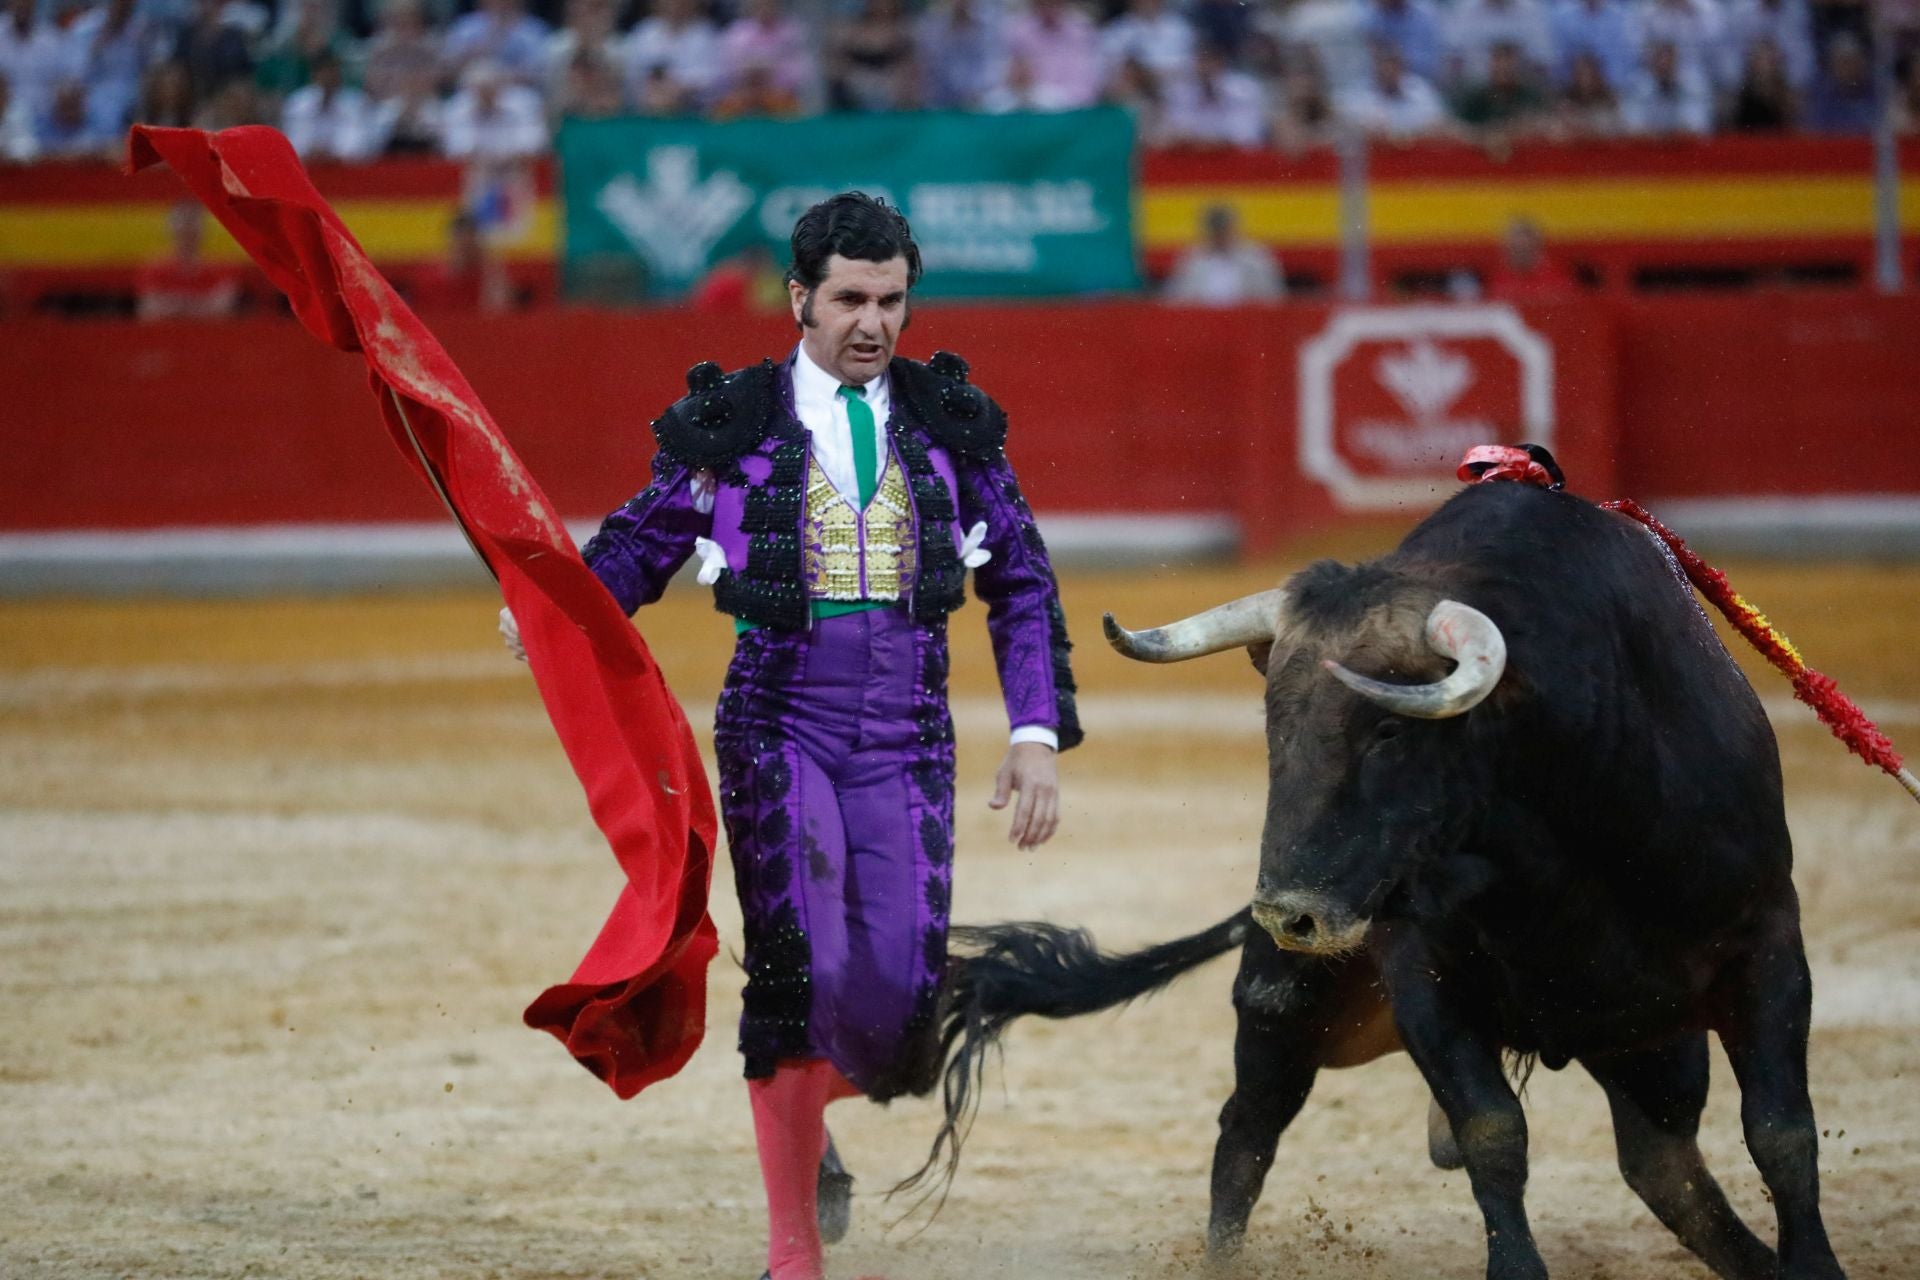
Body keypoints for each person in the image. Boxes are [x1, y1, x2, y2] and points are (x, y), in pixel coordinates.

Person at [501, 192, 1080, 1280]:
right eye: (851, 298)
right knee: (796, 969)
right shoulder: (740, 419)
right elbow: (642, 539)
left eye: (892, 299)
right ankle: (792, 1250)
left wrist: (1037, 729)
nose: (874, 322)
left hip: (909, 728)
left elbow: (1019, 576)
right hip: (781, 718)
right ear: (799, 297)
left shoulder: (952, 420)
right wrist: (559, 605)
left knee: (900, 1001)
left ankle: (808, 1120)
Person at [136, 201, 242, 319]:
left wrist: (174, 306)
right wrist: (201, 306)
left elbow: (223, 308)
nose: (188, 230)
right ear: (171, 229)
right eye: (183, 224)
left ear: (203, 229)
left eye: (192, 224)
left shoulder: (221, 267)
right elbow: (149, 308)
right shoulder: (155, 269)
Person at [1163, 203, 1285, 304]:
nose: (1220, 236)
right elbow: (1176, 300)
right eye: (1215, 231)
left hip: (1247, 324)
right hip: (1201, 325)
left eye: (1224, 229)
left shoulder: (1256, 258)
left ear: (1233, 228)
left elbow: (1272, 299)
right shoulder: (1192, 260)